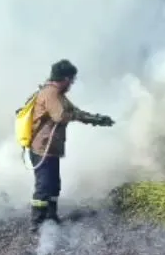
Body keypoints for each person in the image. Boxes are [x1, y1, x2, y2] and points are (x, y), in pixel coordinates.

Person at [28, 60, 114, 231]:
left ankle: (51, 217)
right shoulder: (50, 93)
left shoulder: (58, 95)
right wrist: (77, 116)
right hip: (42, 149)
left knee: (54, 185)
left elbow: (75, 111)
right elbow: (60, 116)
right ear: (66, 78)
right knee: (44, 186)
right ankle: (37, 222)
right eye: (71, 80)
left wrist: (95, 119)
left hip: (51, 149)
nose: (71, 84)